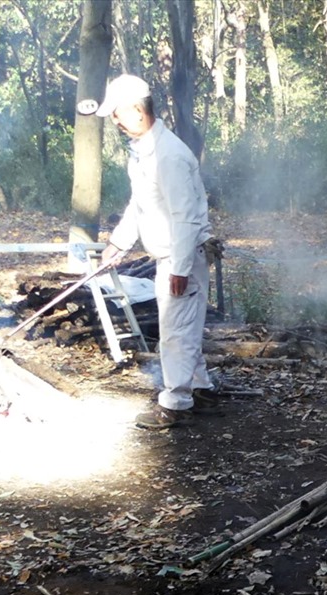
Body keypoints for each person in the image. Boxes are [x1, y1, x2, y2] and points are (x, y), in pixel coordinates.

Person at [95, 74, 219, 429]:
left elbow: (185, 218)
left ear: (137, 109)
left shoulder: (169, 156)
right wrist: (120, 241)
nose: (115, 121)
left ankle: (176, 402)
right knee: (184, 327)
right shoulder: (145, 152)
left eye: (117, 114)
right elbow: (141, 205)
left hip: (181, 257)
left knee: (176, 331)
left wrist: (179, 269)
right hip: (171, 257)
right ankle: (200, 389)